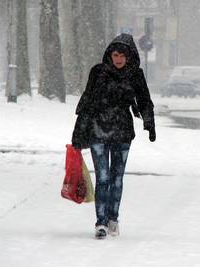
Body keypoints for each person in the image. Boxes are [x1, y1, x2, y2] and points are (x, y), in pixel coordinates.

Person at [71, 33, 156, 239]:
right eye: (115, 55)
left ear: (129, 57)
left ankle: (113, 219)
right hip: (98, 130)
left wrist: (149, 122)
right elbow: (87, 101)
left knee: (116, 179)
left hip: (122, 132)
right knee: (103, 177)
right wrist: (79, 131)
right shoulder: (98, 72)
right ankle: (100, 222)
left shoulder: (135, 75)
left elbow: (144, 100)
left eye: (122, 56)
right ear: (110, 55)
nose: (118, 59)